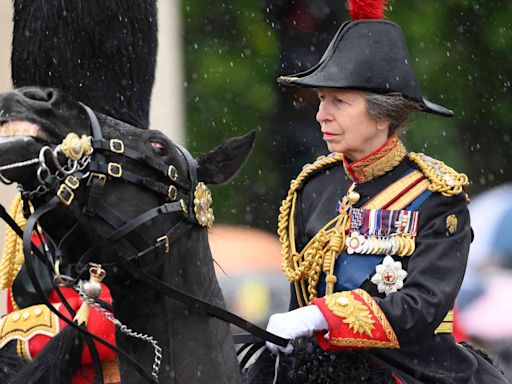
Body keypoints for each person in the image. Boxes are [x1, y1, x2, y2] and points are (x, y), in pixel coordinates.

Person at [261, 1, 508, 383]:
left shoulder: (436, 195)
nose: (321, 115)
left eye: (339, 101)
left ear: (383, 115)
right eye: (322, 99)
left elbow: (422, 308)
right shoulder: (313, 186)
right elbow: (301, 297)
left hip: (411, 371)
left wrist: (321, 316)